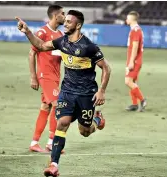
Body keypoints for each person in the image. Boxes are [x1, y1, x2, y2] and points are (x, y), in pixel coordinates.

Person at [16, 9, 111, 177]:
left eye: (69, 22)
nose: (65, 24)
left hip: (86, 94)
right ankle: (53, 165)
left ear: (78, 25)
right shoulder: (62, 41)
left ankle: (96, 119)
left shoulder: (89, 46)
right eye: (65, 21)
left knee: (85, 131)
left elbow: (106, 68)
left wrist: (102, 91)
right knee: (62, 123)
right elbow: (40, 46)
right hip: (67, 92)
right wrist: (28, 32)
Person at [28, 5, 65, 153]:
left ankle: (34, 142)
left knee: (45, 107)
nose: (65, 16)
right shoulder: (42, 32)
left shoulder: (61, 34)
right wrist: (33, 77)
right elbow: (32, 54)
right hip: (45, 76)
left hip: (55, 77)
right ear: (56, 16)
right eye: (63, 14)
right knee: (58, 105)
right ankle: (52, 142)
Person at [125, 11, 147, 112]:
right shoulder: (136, 30)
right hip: (134, 60)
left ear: (132, 19)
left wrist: (131, 61)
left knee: (128, 81)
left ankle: (142, 100)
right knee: (133, 82)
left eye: (128, 18)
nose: (126, 19)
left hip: (135, 61)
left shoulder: (135, 31)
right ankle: (134, 104)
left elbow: (135, 47)